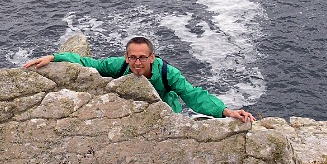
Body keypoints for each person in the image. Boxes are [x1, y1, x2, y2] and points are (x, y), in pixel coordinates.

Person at [24, 36, 255, 123]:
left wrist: (227, 112)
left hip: (165, 112)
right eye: (132, 57)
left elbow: (193, 94)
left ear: (152, 57)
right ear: (126, 57)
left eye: (142, 58)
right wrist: (54, 56)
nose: (137, 62)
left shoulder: (168, 73)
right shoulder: (120, 65)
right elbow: (90, 63)